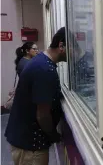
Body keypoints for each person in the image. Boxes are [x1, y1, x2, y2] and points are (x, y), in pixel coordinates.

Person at [5, 27, 66, 165]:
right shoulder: (44, 69)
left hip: (26, 142)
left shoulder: (42, 62)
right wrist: (53, 135)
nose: (76, 53)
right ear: (61, 45)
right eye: (75, 48)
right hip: (30, 146)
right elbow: (42, 115)